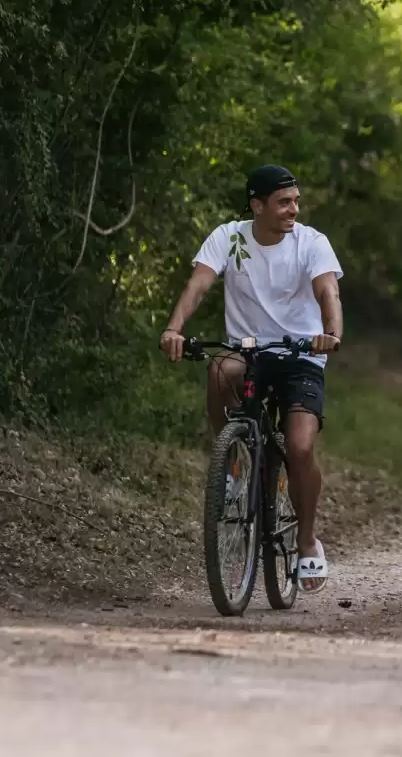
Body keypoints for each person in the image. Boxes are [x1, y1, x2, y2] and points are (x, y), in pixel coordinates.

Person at [160, 164, 343, 595]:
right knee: (221, 366)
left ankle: (306, 538)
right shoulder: (230, 237)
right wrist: (174, 328)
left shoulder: (312, 243)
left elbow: (327, 292)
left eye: (296, 200)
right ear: (256, 205)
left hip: (302, 353)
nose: (293, 209)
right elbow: (198, 285)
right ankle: (234, 460)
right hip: (249, 350)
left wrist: (331, 333)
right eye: (283, 202)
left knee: (299, 446)